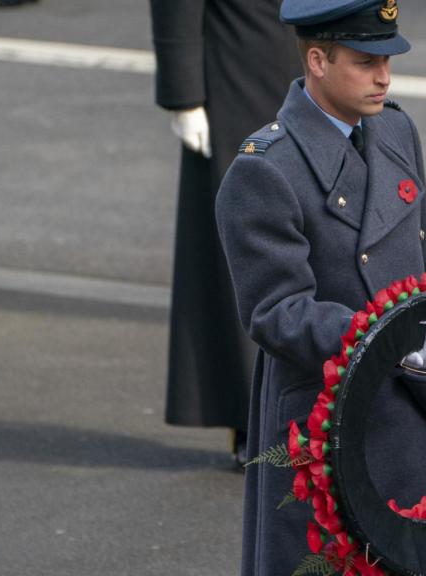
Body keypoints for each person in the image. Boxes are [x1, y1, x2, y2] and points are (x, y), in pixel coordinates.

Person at [214, 1, 426, 574]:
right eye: (365, 61)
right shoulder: (265, 168)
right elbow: (276, 312)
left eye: (387, 60)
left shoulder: (396, 128)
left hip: (418, 408)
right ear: (318, 60)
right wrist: (391, 336)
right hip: (332, 426)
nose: (384, 76)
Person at [149, 0, 303, 462]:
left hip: (321, 60)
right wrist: (185, 93)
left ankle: (320, 412)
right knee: (247, 251)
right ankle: (253, 421)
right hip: (240, 65)